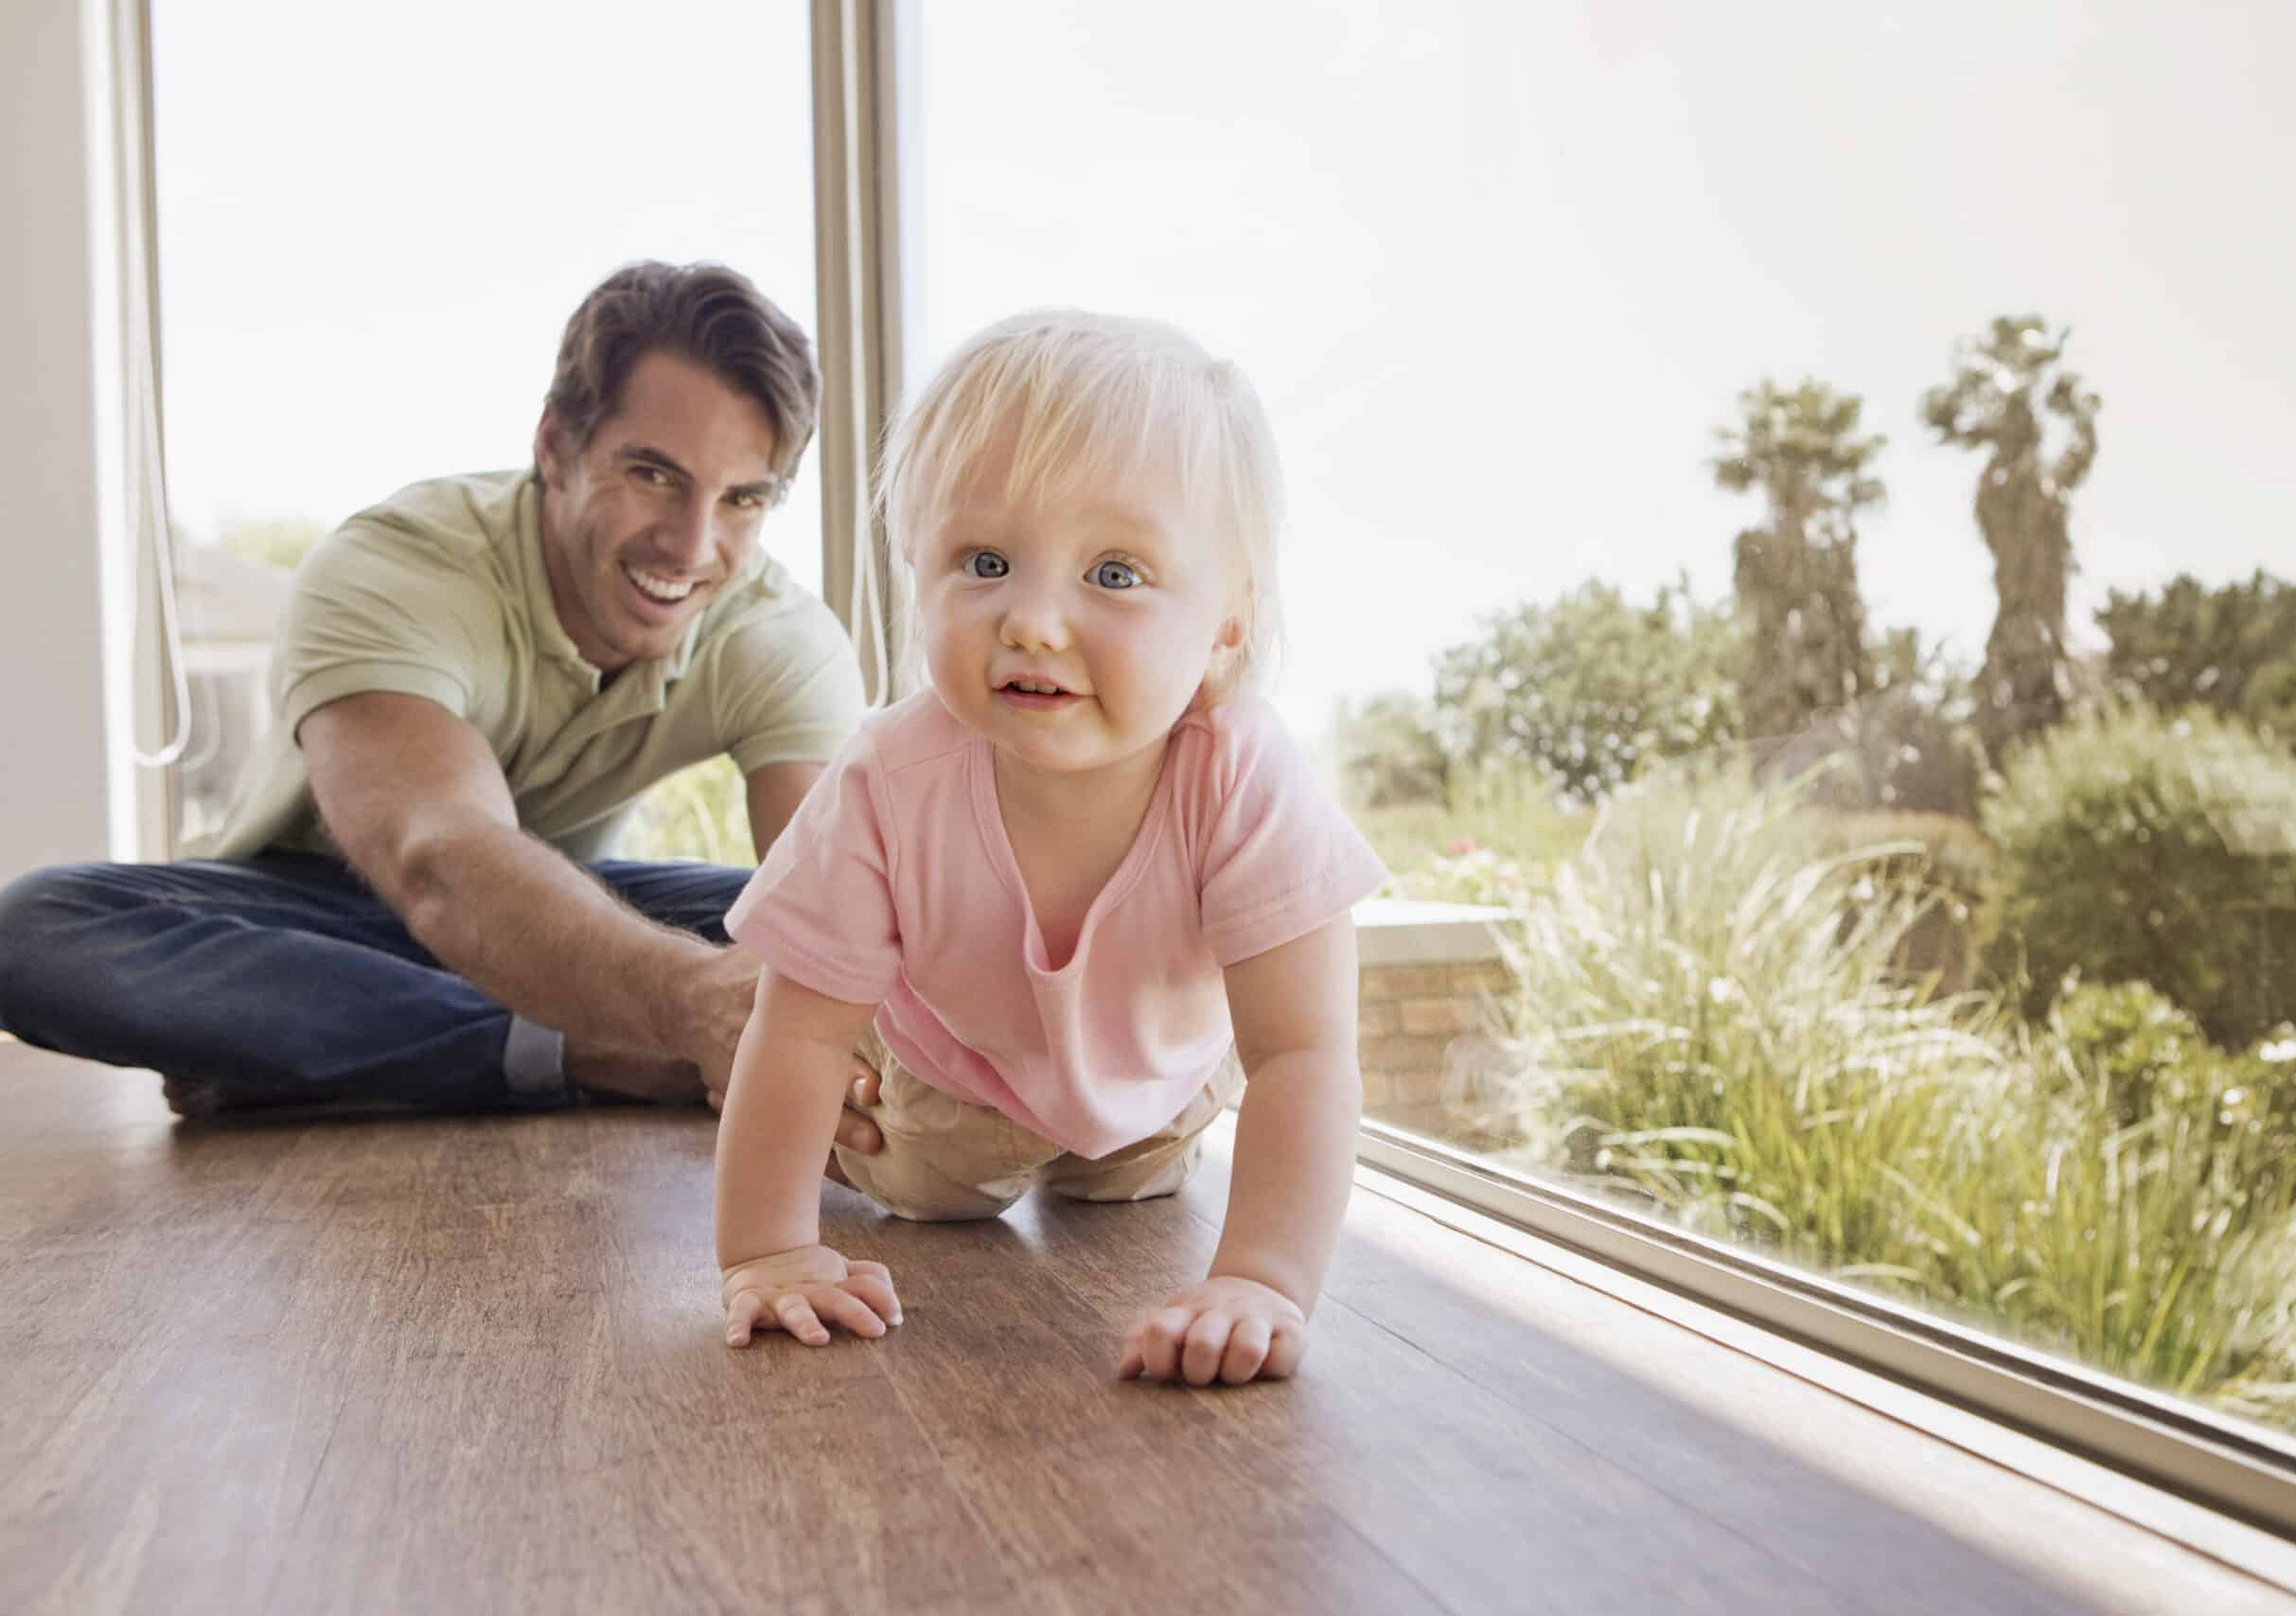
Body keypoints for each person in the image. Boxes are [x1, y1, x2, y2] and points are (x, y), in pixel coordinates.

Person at [0, 260, 884, 1153]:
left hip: (565, 924)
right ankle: (586, 1053)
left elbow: (830, 907)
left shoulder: (778, 633)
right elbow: (438, 862)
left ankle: (351, 1052)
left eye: (743, 498)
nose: (694, 544)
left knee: (802, 931)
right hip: (321, 922)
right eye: (653, 474)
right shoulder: (398, 566)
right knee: (35, 928)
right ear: (555, 447)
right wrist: (693, 1007)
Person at [712, 309, 1386, 1387]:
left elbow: (1304, 1055)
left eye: (1114, 574)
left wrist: (1259, 1278)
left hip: (1163, 1084)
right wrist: (769, 1251)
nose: (1032, 621)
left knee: (1126, 1187)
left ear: (1226, 624)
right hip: (953, 1086)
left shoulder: (1242, 770)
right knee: (928, 1198)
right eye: (984, 561)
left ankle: (1105, 1155)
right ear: (915, 578)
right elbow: (794, 1034)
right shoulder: (889, 775)